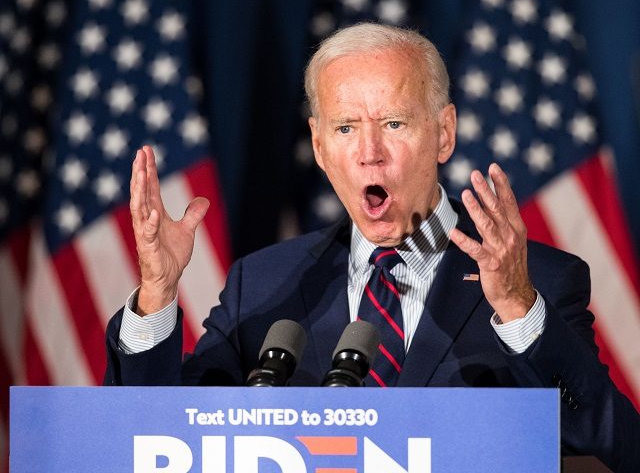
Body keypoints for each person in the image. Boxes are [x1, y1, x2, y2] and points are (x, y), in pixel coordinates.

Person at [104, 23, 640, 470]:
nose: (369, 153)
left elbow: (612, 447)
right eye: (344, 128)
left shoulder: (536, 283)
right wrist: (156, 293)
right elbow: (155, 440)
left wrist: (520, 313)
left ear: (444, 134)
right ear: (318, 145)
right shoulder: (263, 283)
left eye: (393, 123)